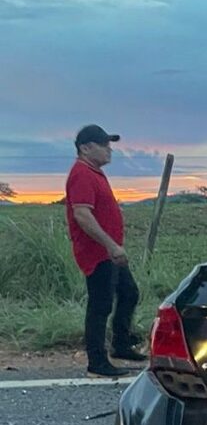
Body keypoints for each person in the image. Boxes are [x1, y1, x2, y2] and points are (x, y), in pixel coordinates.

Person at [64, 125, 142, 378]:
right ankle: (97, 362)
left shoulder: (94, 173)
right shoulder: (81, 174)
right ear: (86, 148)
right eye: (104, 145)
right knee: (100, 305)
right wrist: (110, 245)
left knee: (129, 293)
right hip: (97, 253)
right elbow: (82, 214)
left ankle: (121, 344)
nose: (110, 150)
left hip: (108, 251)